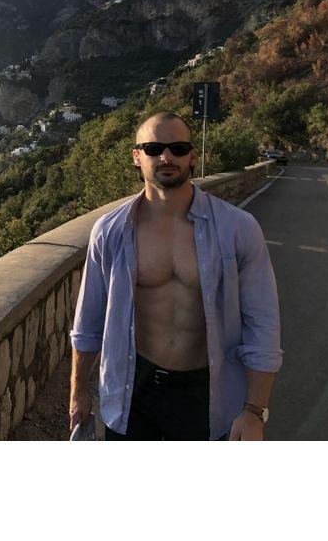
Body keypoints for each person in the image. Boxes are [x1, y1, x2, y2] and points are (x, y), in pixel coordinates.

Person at [69, 111, 282, 440]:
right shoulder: (110, 232)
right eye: (153, 148)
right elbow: (88, 323)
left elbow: (262, 324)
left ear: (193, 156)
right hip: (133, 388)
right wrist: (78, 392)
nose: (166, 156)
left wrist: (255, 411)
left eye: (179, 148)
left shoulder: (237, 229)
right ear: (136, 157)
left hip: (207, 392)